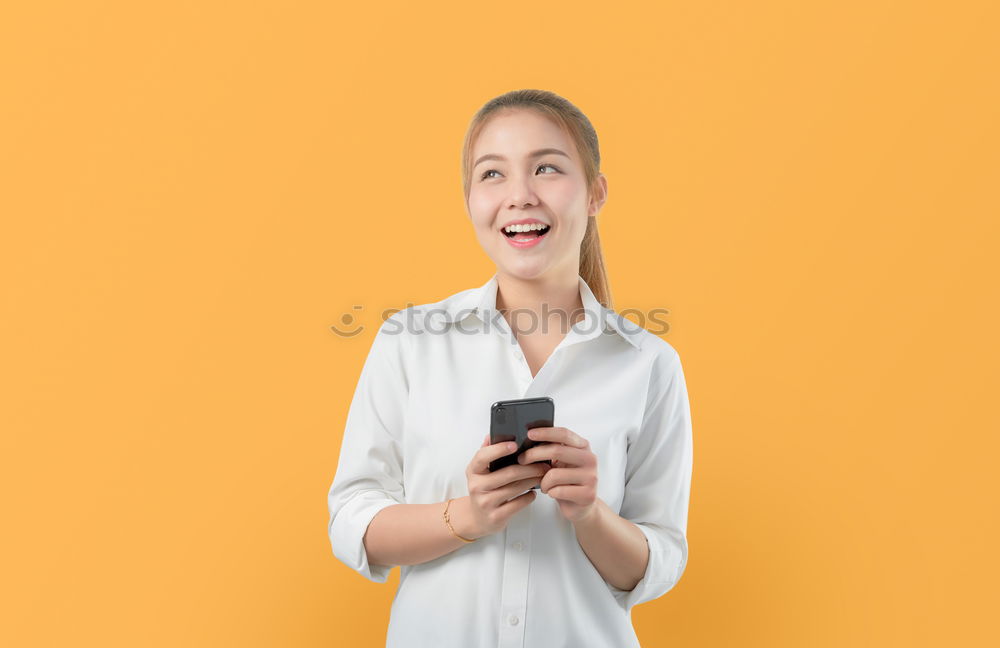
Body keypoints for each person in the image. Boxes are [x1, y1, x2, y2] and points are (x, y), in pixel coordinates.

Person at [327, 88, 693, 647]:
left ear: (596, 193)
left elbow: (656, 562)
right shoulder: (410, 344)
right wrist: (467, 516)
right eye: (492, 174)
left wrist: (589, 513)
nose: (520, 196)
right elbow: (353, 521)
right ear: (470, 199)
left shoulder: (647, 364)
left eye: (546, 168)